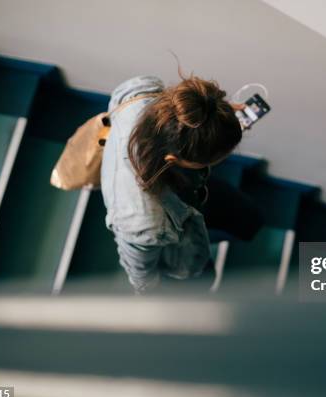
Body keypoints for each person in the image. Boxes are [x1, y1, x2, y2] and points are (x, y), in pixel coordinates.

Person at [101, 73, 263, 293]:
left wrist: (215, 121)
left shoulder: (142, 90)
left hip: (188, 188)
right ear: (173, 159)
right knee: (203, 276)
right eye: (214, 158)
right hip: (174, 225)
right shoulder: (143, 221)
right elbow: (140, 272)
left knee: (250, 220)